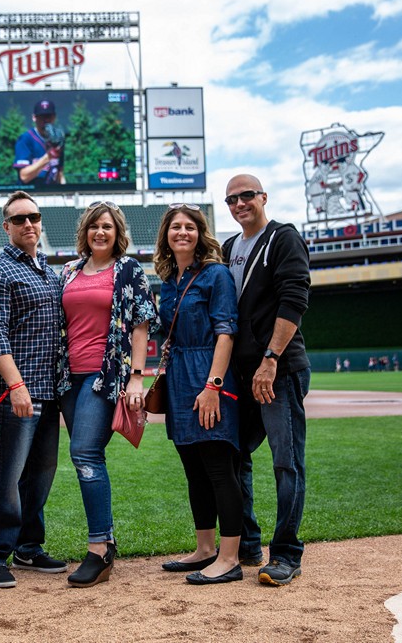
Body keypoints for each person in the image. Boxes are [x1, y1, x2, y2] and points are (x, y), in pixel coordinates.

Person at [56, 201, 159, 587]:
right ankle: (106, 539)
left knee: (84, 453)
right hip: (69, 379)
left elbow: (141, 324)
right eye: (94, 226)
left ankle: (99, 547)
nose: (100, 232)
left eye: (108, 227)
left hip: (105, 377)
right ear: (85, 231)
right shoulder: (68, 271)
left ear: (117, 233)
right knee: (87, 454)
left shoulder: (127, 269)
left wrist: (136, 377)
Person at [221, 174, 311, 587]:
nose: (240, 203)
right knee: (234, 455)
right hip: (241, 373)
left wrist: (271, 358)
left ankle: (287, 554)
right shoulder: (228, 248)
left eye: (246, 196)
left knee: (285, 460)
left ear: (263, 198)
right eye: (232, 199)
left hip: (277, 370)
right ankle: (249, 544)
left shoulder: (282, 238)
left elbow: (295, 299)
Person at [0, 190, 66, 588]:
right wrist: (16, 384)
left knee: (41, 473)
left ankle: (29, 546)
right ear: (6, 227)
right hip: (14, 388)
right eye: (19, 219)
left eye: (33, 216)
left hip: (49, 388)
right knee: (7, 472)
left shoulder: (48, 270)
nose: (28, 224)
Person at [154, 203, 244, 586]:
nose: (182, 233)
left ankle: (230, 558)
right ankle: (205, 549)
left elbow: (226, 331)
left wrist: (213, 387)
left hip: (209, 376)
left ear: (200, 233)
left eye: (189, 227)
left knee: (219, 469)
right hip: (178, 379)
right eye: (175, 227)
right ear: (166, 236)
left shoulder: (216, 274)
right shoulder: (168, 281)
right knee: (194, 470)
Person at [14, 99, 66, 186]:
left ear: (54, 117)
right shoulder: (26, 139)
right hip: (30, 193)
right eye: (41, 117)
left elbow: (59, 173)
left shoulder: (58, 139)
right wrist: (47, 158)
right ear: (34, 118)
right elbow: (24, 177)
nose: (45, 120)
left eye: (48, 116)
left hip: (51, 192)